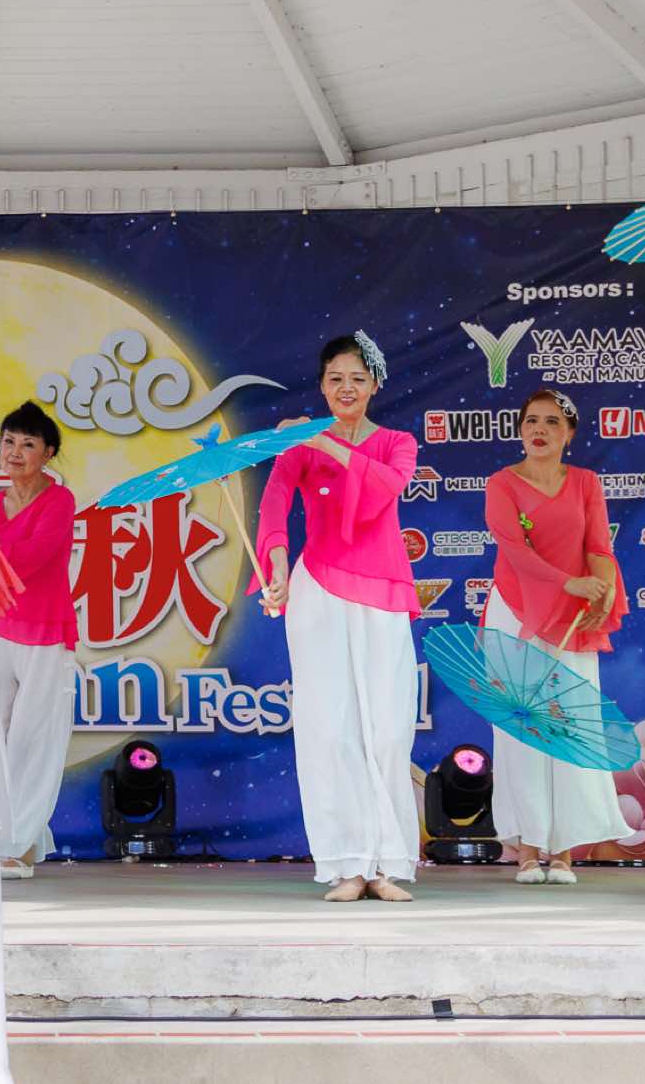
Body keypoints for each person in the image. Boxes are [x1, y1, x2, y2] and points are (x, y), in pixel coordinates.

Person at [256, 332, 421, 903]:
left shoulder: (397, 443)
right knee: (328, 726)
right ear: (322, 386)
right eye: (335, 379)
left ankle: (386, 862)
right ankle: (347, 862)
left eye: (356, 378)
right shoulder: (300, 447)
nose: (345, 388)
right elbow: (274, 503)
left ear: (375, 384)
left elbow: (384, 487)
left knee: (387, 729)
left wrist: (322, 441)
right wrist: (277, 564)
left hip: (382, 588)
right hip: (318, 588)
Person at [481, 390, 636, 884]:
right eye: (531, 421)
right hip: (516, 611)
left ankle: (564, 851)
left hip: (571, 616)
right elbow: (515, 551)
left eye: (552, 422)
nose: (539, 430)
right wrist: (570, 583)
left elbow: (599, 547)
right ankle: (528, 848)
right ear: (520, 430)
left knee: (569, 724)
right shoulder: (502, 483)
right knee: (524, 726)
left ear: (569, 434)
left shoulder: (586, 482)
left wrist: (602, 592)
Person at [0, 401, 78, 880]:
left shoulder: (59, 501)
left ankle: (20, 843)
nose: (15, 452)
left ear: (48, 453)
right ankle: (10, 835)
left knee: (34, 738)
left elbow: (33, 557)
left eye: (28, 444)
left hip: (45, 632)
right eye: (8, 441)